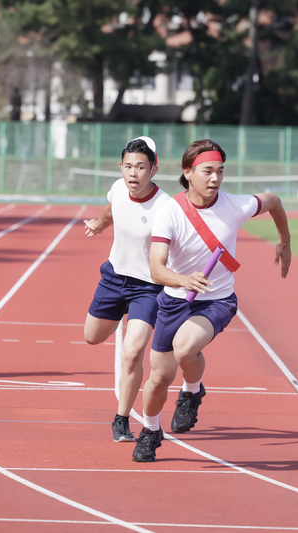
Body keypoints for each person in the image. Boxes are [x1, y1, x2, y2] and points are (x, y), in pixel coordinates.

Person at [131, 139, 292, 462]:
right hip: (175, 300)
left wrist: (284, 241)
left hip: (216, 301)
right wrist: (183, 280)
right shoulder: (170, 212)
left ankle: (191, 392)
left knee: (185, 347)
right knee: (159, 378)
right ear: (187, 172)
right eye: (207, 171)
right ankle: (150, 430)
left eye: (220, 171)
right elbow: (156, 269)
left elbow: (273, 201)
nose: (215, 178)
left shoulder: (235, 205)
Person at [83, 136, 170, 443]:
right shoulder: (119, 188)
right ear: (121, 167)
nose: (134, 173)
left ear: (154, 169)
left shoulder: (165, 207)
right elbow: (112, 210)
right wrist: (98, 224)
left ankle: (121, 419)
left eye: (141, 167)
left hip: (148, 288)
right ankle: (119, 314)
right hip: (114, 278)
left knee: (132, 354)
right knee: (91, 337)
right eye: (129, 166)